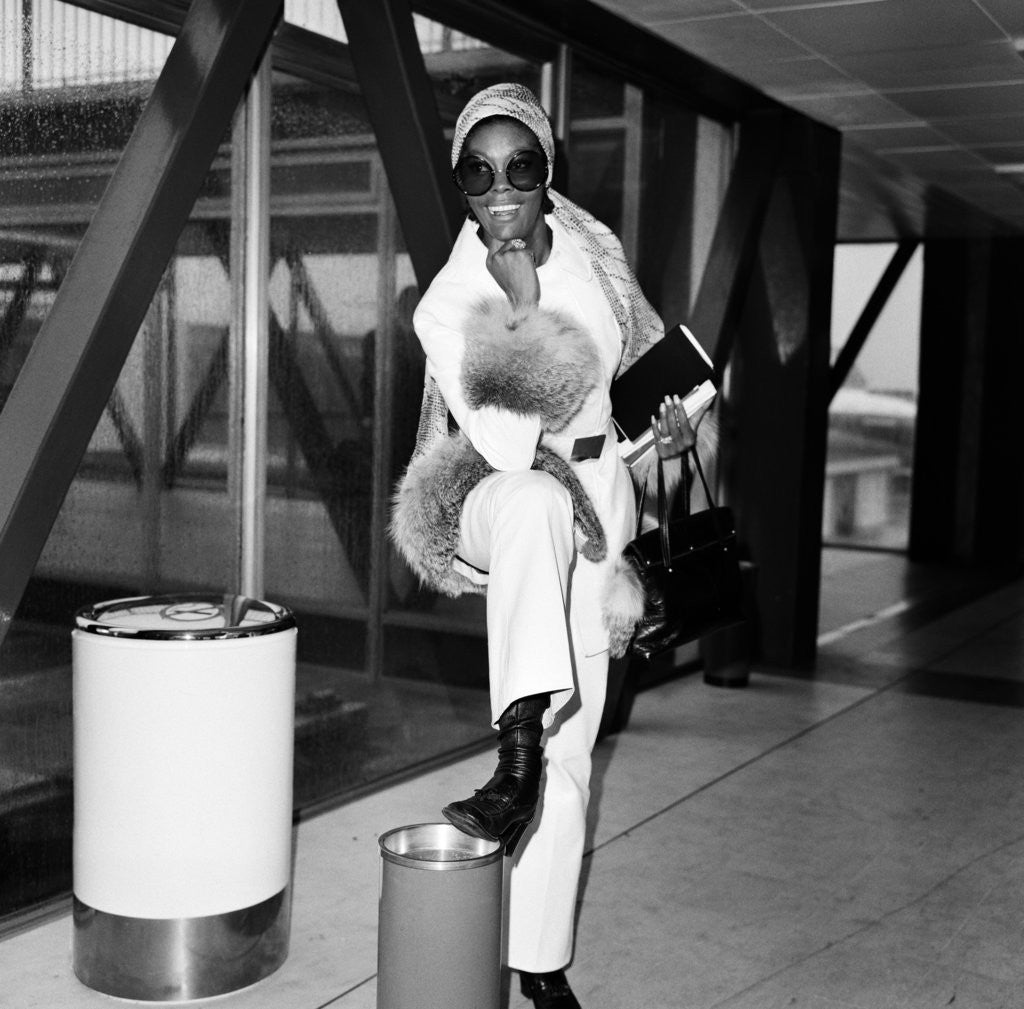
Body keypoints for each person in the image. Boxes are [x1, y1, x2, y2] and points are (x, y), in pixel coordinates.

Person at [390, 83, 713, 1009]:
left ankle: (540, 959)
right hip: (501, 499)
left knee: (579, 754)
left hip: (601, 500)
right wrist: (517, 304)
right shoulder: (450, 298)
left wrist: (666, 435)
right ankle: (514, 746)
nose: (500, 189)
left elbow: (622, 389)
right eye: (477, 172)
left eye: (519, 166)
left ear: (546, 167)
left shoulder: (597, 253)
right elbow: (497, 440)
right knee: (531, 498)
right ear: (461, 182)